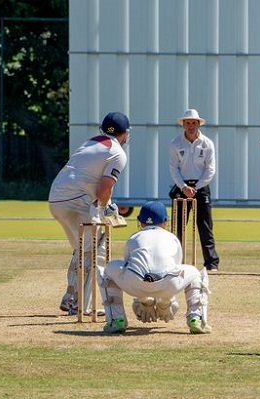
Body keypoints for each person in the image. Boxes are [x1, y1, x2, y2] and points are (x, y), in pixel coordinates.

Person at [48, 112, 131, 315]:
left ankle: (71, 299)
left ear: (103, 129)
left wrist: (106, 206)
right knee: (94, 250)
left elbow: (91, 182)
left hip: (57, 198)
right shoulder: (118, 153)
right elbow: (104, 188)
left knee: (82, 249)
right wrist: (102, 210)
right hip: (75, 201)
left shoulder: (91, 142)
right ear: (126, 133)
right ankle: (78, 304)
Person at [97, 201, 212, 334]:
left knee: (108, 270)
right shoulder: (172, 237)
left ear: (140, 222)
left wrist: (142, 298)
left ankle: (117, 320)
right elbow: (175, 268)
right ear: (165, 222)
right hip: (169, 284)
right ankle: (196, 319)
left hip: (135, 284)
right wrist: (167, 300)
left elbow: (128, 266)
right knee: (196, 273)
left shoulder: (134, 237)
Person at [169, 109, 219, 271]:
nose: (191, 126)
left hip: (201, 188)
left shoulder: (207, 143)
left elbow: (210, 169)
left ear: (198, 124)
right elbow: (173, 168)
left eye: (193, 123)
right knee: (178, 227)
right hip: (182, 188)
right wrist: (184, 187)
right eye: (188, 123)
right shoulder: (175, 144)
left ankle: (211, 264)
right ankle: (176, 262)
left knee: (205, 226)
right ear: (183, 124)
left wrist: (196, 188)